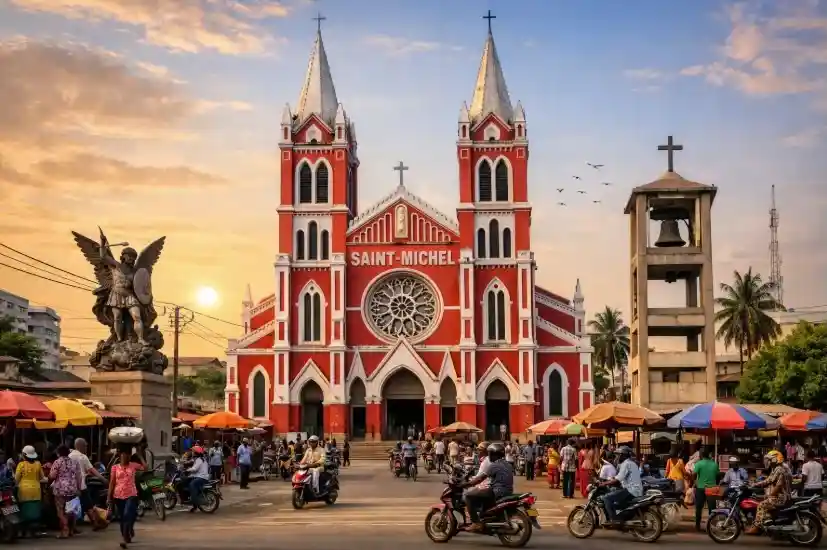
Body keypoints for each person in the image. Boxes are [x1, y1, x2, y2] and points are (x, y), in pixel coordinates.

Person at [461, 443, 513, 532]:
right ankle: (486, 517)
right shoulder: (507, 464)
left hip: (496, 491)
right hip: (508, 491)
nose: (489, 456)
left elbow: (480, 479)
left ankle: (476, 523)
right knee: (482, 494)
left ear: (493, 454)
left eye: (490, 454)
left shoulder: (493, 465)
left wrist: (466, 484)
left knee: (468, 496)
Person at [746, 450, 792, 534]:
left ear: (775, 459)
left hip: (781, 498)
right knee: (763, 501)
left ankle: (756, 528)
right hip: (784, 496)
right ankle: (766, 523)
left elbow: (770, 482)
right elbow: (769, 480)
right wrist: (756, 484)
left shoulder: (779, 469)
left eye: (770, 459)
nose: (769, 462)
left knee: (761, 505)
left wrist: (755, 485)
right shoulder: (779, 468)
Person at [108, 446, 145, 549]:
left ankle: (124, 539)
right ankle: (127, 534)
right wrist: (109, 497)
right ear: (120, 456)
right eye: (124, 454)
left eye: (128, 455)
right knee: (122, 518)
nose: (126, 457)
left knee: (127, 514)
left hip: (131, 494)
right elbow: (112, 482)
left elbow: (145, 467)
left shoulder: (133, 465)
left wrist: (140, 456)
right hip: (118, 495)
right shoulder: (115, 467)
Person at [69, 438, 107, 531]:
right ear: (81, 446)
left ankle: (73, 528)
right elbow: (92, 470)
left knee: (73, 506)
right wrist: (103, 479)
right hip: (81, 485)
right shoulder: (83, 457)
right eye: (85, 445)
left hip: (71, 486)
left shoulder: (69, 456)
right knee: (88, 505)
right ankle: (95, 523)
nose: (86, 447)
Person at [600, 446, 643, 522]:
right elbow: (620, 477)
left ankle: (614, 519)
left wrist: (604, 483)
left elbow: (618, 479)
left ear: (623, 455)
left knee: (606, 498)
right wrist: (612, 480)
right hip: (636, 489)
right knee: (617, 500)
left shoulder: (626, 464)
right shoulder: (631, 463)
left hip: (630, 490)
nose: (617, 457)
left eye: (618, 455)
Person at [49, 444, 82, 539]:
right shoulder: (74, 462)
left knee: (60, 511)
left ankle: (65, 529)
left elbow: (52, 475)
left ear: (58, 453)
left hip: (60, 490)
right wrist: (79, 488)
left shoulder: (57, 462)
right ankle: (70, 531)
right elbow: (79, 476)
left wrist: (49, 479)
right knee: (70, 511)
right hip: (72, 489)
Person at [15, 446, 46, 538]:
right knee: (35, 510)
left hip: (24, 491)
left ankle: (23, 531)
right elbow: (42, 477)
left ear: (24, 455)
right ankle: (34, 531)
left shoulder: (21, 465)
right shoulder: (38, 464)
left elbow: (16, 479)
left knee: (24, 510)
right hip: (36, 491)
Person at [692, 447, 719, 531]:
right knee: (712, 509)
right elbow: (718, 476)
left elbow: (694, 474)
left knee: (699, 508)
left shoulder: (699, 464)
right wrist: (715, 484)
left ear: (701, 455)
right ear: (709, 455)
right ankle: (711, 526)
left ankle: (697, 526)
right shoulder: (714, 464)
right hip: (712, 488)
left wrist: (695, 482)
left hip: (700, 488)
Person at [187, 445, 210, 512]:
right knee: (190, 481)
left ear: (196, 453)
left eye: (193, 451)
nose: (192, 452)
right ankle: (194, 506)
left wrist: (188, 470)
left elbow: (195, 469)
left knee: (192, 484)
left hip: (201, 477)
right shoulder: (201, 459)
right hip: (201, 476)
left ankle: (194, 500)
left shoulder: (199, 460)